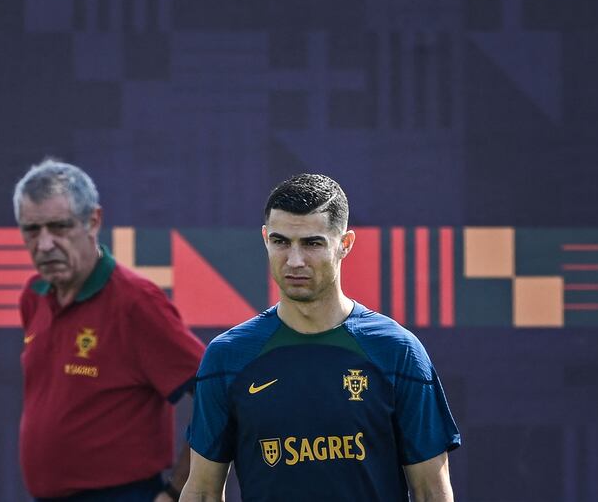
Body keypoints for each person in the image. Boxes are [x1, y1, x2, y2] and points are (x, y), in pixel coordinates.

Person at [181, 174, 461, 502]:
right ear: (264, 240)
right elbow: (202, 492)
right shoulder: (228, 356)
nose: (294, 260)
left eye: (312, 243)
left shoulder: (397, 351)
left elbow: (432, 492)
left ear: (345, 245)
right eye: (280, 241)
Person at [14, 159, 205, 502]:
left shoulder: (136, 303)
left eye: (59, 227)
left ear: (93, 221)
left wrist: (177, 492)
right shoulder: (34, 295)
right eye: (32, 230)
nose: (44, 245)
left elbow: (217, 395)